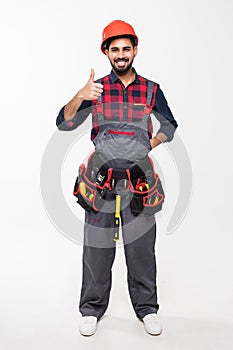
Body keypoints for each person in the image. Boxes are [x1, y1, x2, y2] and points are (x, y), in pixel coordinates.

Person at [56, 20, 178, 336]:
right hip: (101, 180)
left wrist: (147, 144)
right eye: (115, 49)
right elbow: (64, 124)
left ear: (134, 50)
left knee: (140, 249)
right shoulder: (95, 90)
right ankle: (91, 310)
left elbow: (170, 126)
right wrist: (79, 95)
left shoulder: (152, 90)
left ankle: (147, 309)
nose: (121, 54)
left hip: (140, 180)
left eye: (126, 48)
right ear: (106, 52)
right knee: (97, 248)